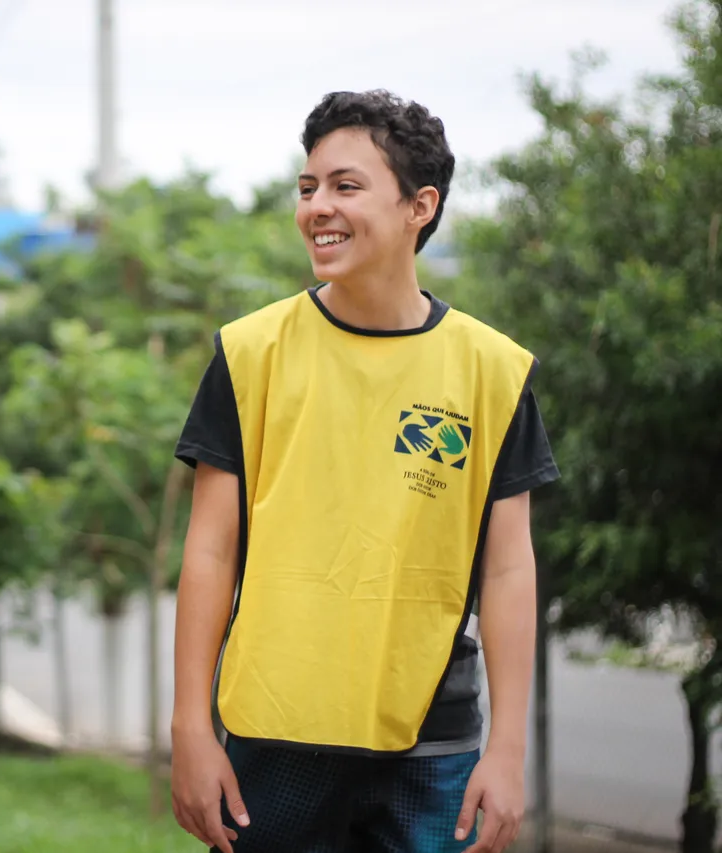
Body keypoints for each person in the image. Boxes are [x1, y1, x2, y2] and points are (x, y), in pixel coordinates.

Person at [169, 90, 559, 853]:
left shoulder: (492, 370)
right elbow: (210, 550)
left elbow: (510, 567)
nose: (318, 206)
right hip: (271, 734)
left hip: (432, 740)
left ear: (421, 205)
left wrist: (506, 750)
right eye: (308, 187)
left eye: (345, 186)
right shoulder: (252, 354)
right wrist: (190, 724)